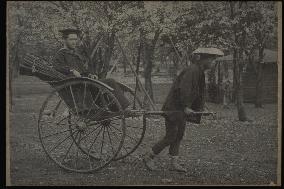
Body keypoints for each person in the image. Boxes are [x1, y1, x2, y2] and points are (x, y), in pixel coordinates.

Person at [143, 47, 224, 173]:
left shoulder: (199, 72)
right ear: (204, 59)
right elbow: (184, 89)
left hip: (181, 109)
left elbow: (198, 93)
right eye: (212, 60)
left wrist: (201, 107)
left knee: (179, 135)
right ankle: (149, 156)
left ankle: (174, 162)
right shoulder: (192, 70)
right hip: (174, 108)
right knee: (171, 136)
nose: (214, 63)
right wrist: (185, 106)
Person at [52, 28, 130, 110]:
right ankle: (123, 107)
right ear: (64, 40)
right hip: (75, 86)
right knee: (110, 81)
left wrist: (90, 75)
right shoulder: (60, 54)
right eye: (71, 39)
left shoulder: (75, 55)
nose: (74, 42)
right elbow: (57, 66)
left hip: (84, 83)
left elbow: (83, 71)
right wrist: (71, 70)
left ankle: (112, 109)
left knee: (106, 84)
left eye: (75, 39)